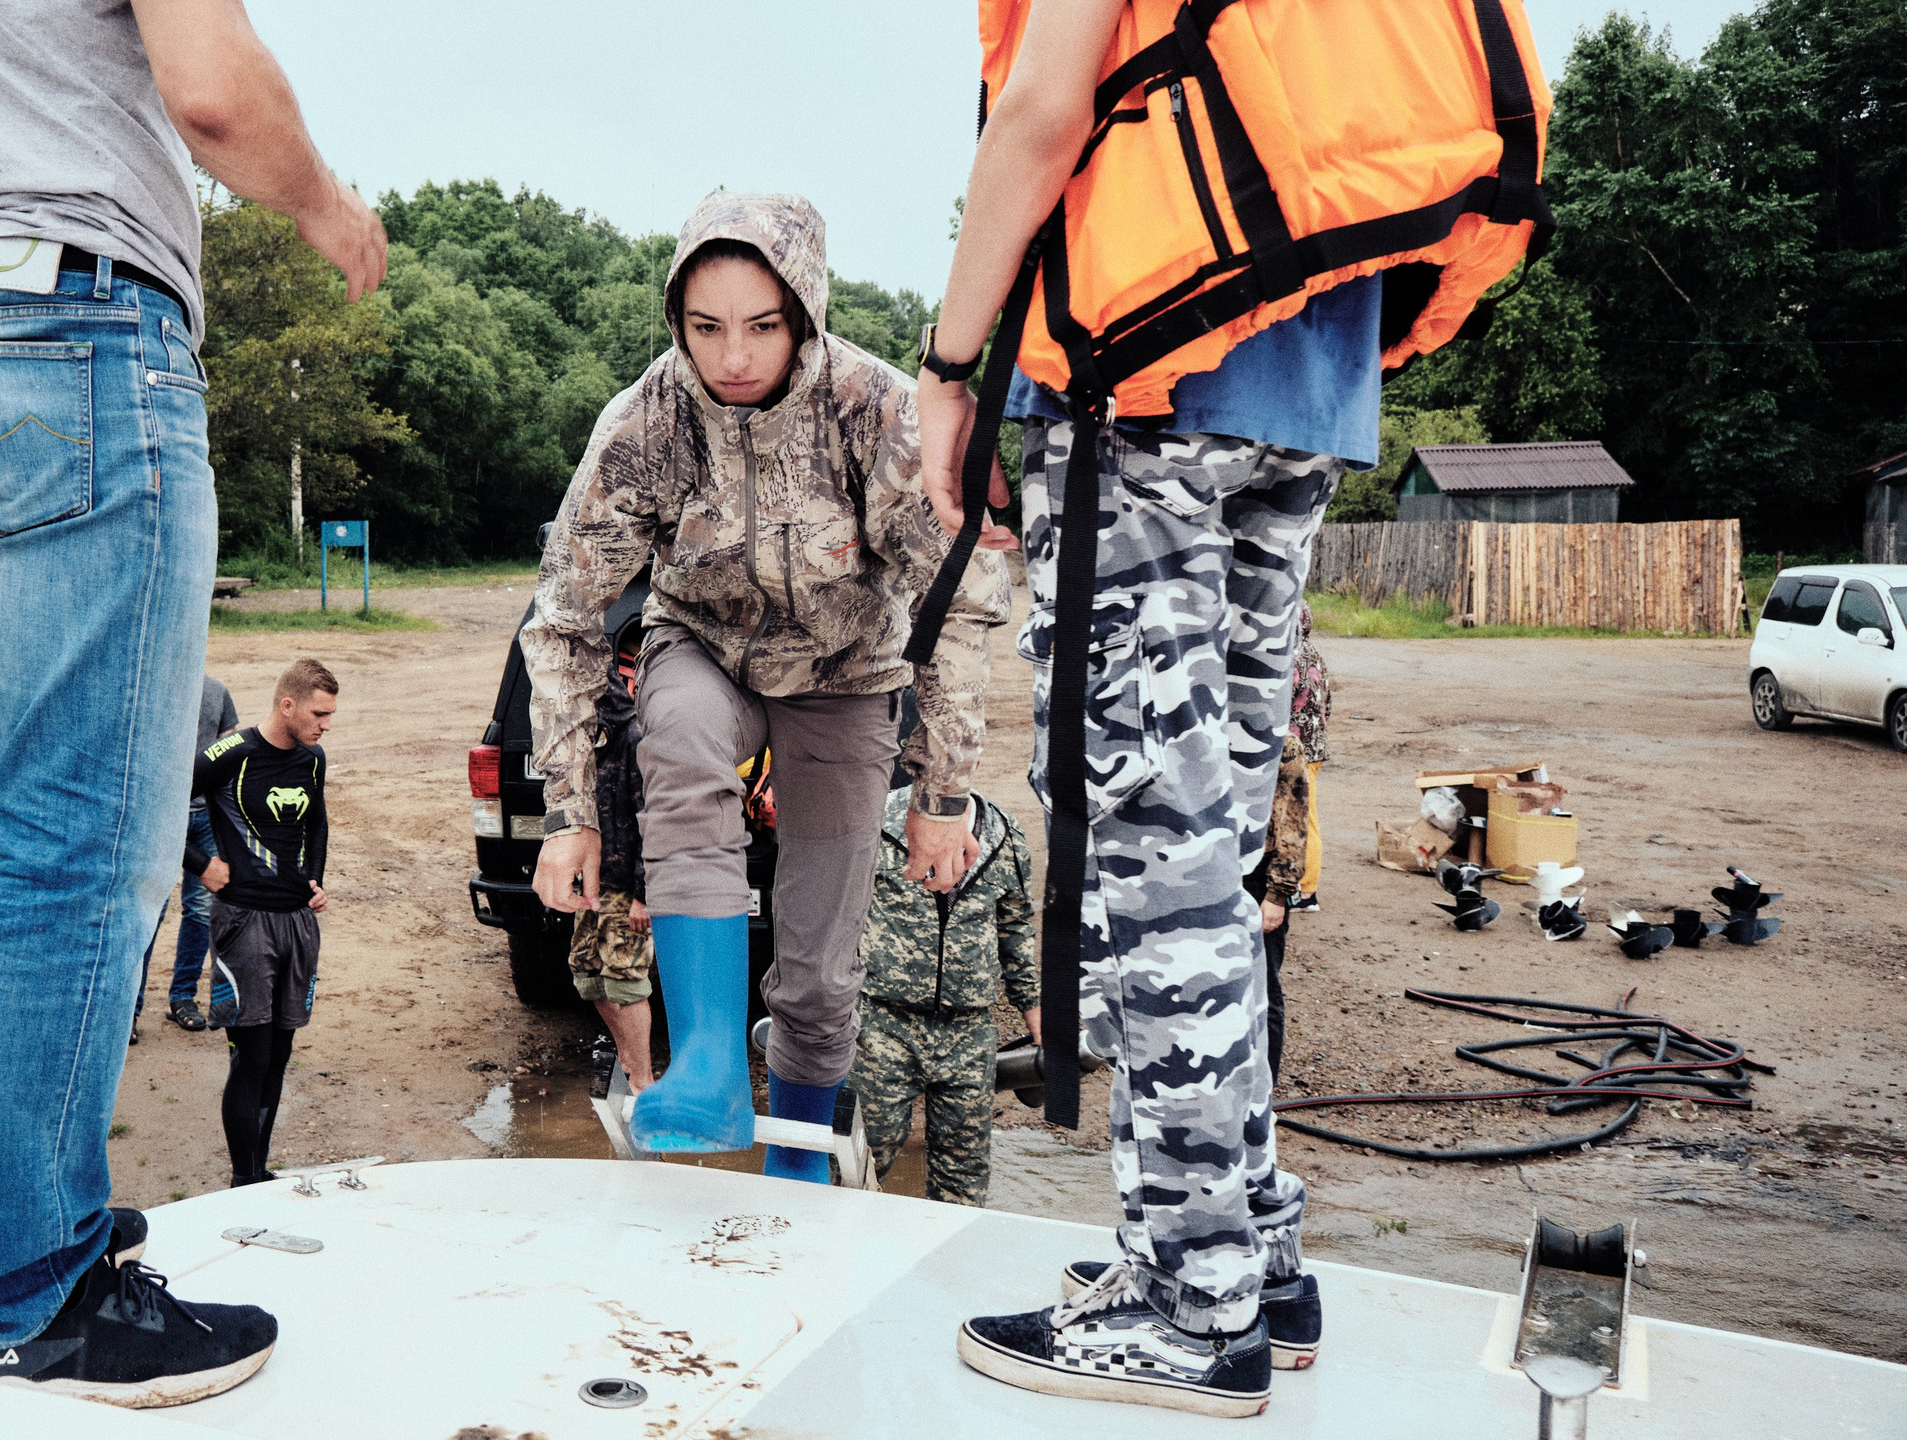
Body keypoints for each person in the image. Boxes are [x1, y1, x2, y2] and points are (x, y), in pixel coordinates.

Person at [916, 0, 1545, 1411]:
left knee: (1157, 863)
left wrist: (950, 371)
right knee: (1212, 856)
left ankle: (1197, 1309)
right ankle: (1243, 1255)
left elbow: (1044, 113)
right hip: (1302, 395)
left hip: (1146, 394)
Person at [0, 0, 381, 1403]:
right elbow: (208, 91)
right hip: (66, 335)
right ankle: (31, 1295)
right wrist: (327, 203)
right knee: (79, 844)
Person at [523, 192, 1008, 1181]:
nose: (732, 356)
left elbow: (962, 594)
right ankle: (704, 1064)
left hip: (845, 677)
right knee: (686, 741)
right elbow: (565, 618)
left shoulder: (876, 414)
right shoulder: (645, 425)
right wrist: (569, 813)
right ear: (676, 323)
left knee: (824, 969)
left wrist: (943, 794)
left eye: (760, 326)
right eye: (705, 328)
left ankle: (797, 1158)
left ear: (805, 313)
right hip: (701, 643)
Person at [849, 786, 1037, 1205]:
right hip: (882, 1024)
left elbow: (1016, 929)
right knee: (860, 1159)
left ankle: (952, 1266)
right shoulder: (874, 819)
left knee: (964, 1173)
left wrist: (1036, 1017)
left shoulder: (1004, 833)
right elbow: (835, 912)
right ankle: (838, 1258)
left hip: (969, 1032)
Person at [191, 660, 335, 1187]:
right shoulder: (231, 754)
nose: (326, 724)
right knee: (250, 1057)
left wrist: (315, 880)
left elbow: (317, 822)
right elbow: (161, 805)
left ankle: (259, 1172)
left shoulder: (313, 759)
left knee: (279, 1053)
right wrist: (200, 864)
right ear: (287, 704)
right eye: (319, 713)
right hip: (244, 922)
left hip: (297, 923)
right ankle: (242, 1180)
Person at [573, 629, 655, 1091]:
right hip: (593, 882)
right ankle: (626, 1053)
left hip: (628, 886)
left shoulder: (634, 737)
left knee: (625, 978)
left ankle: (641, 1075)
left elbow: (652, 821)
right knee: (587, 973)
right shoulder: (584, 741)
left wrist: (644, 895)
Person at [153, 674, 241, 1036]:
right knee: (149, 909)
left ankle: (182, 998)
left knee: (200, 910)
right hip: (158, 815)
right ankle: (129, 1007)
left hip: (205, 817)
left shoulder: (217, 691)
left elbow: (231, 749)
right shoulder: (152, 686)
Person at [1244, 734, 1311, 1080]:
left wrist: (1277, 894)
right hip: (1210, 872)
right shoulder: (1198, 726)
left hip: (1258, 876)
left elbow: (1293, 820)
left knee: (1263, 989)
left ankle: (1263, 1089)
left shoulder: (1282, 742)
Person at [1289, 603, 1330, 911]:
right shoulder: (1316, 655)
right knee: (1307, 815)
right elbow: (1328, 705)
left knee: (1301, 818)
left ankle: (1306, 892)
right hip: (1314, 748)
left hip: (1295, 750)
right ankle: (1304, 889)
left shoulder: (1289, 657)